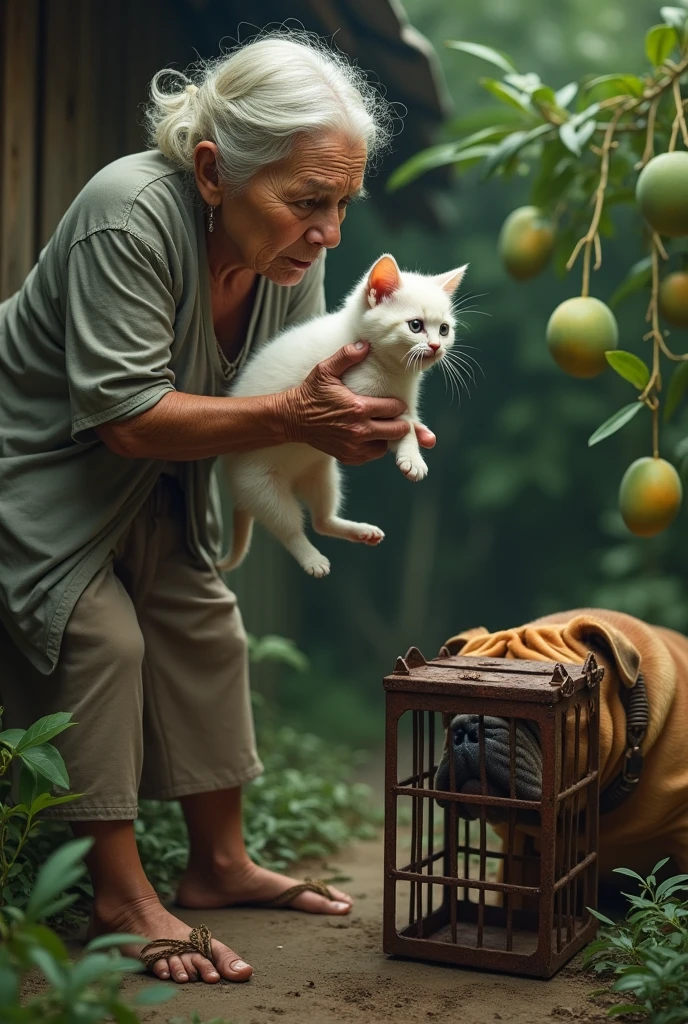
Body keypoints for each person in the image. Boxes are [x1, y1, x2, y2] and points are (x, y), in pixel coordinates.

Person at [0, 32, 436, 985]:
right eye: (305, 202)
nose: (327, 232)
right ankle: (116, 892)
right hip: (33, 469)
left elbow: (296, 387)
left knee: (205, 624)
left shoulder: (288, 256)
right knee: (100, 638)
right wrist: (294, 416)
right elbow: (122, 417)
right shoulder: (131, 214)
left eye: (341, 205)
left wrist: (358, 420)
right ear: (212, 170)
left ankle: (218, 863)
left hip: (153, 476)